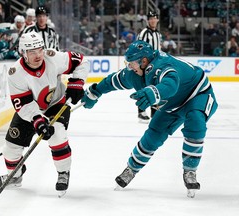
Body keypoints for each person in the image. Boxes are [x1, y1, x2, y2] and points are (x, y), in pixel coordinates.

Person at [81, 40, 218, 198]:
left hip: (197, 94)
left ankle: (190, 170)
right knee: (153, 134)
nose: (129, 66)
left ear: (144, 61)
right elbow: (114, 81)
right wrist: (95, 92)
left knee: (195, 122)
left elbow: (171, 83)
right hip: (171, 104)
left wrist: (154, 93)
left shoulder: (162, 65)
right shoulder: (134, 73)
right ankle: (131, 168)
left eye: (131, 63)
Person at [0, 32, 89, 196]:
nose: (38, 55)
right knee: (10, 148)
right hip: (30, 110)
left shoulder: (53, 58)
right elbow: (23, 104)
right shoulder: (15, 73)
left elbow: (81, 61)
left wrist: (77, 83)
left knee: (57, 135)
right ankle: (14, 176)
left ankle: (63, 173)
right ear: (23, 53)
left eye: (39, 50)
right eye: (32, 52)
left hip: (57, 103)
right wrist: (38, 121)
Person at [136, 11, 162, 123]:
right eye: (151, 18)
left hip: (156, 63)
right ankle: (141, 111)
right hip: (146, 64)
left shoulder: (157, 34)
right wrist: (141, 64)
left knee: (155, 86)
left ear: (157, 20)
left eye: (154, 18)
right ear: (147, 20)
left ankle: (154, 112)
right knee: (144, 86)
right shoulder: (144, 33)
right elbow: (138, 48)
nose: (153, 20)